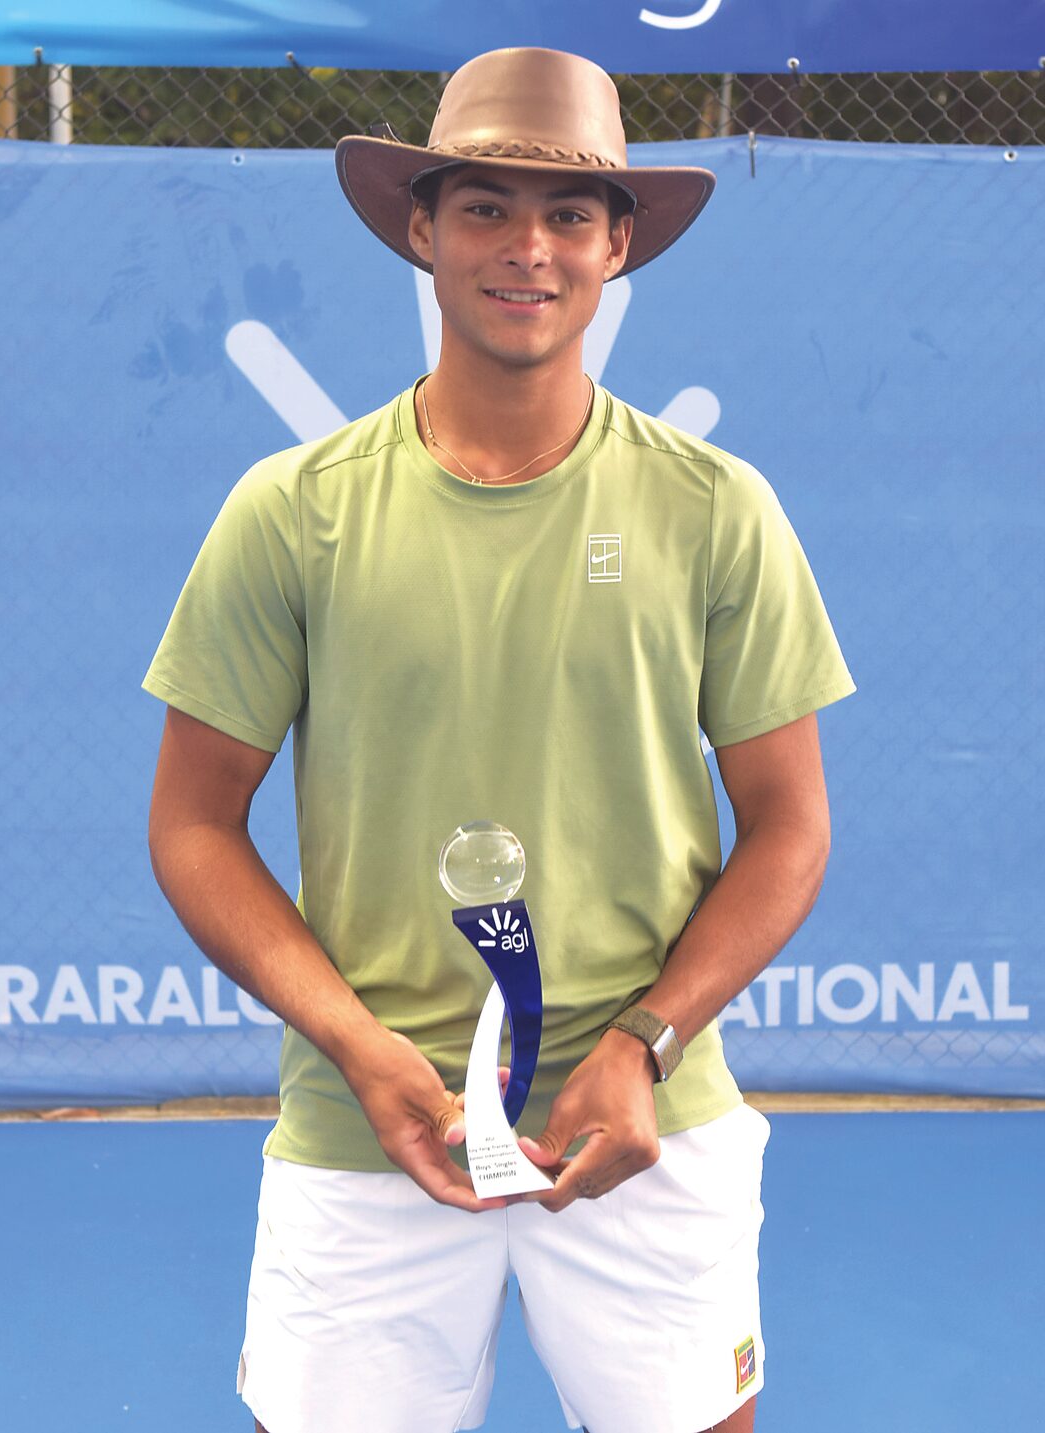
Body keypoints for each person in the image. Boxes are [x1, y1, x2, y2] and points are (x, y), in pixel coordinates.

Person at [144, 46, 854, 1433]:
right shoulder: (289, 511)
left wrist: (645, 1043)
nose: (528, 248)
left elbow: (791, 826)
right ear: (421, 228)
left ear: (616, 247)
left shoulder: (719, 509)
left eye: (569, 215)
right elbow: (192, 822)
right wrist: (355, 1044)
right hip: (368, 1127)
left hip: (640, 1121)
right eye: (485, 209)